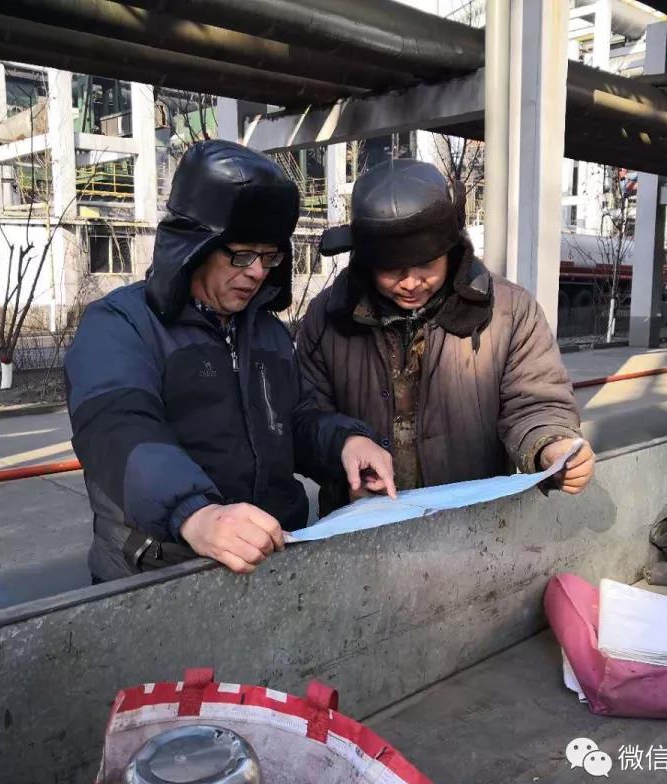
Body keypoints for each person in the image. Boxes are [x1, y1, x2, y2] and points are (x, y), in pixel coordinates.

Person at [65, 140, 394, 582]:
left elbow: (295, 421)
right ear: (194, 248)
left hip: (272, 557)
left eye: (269, 256)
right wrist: (194, 514)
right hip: (162, 568)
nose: (257, 272)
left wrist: (345, 443)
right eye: (242, 255)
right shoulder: (121, 324)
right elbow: (119, 429)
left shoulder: (266, 332)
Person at [298, 158, 594, 514]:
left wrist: (551, 444)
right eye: (392, 269)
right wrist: (345, 443)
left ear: (451, 253)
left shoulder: (508, 311)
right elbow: (305, 417)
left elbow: (535, 401)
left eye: (427, 264)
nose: (410, 282)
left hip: (473, 522)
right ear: (366, 262)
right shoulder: (327, 317)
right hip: (360, 523)